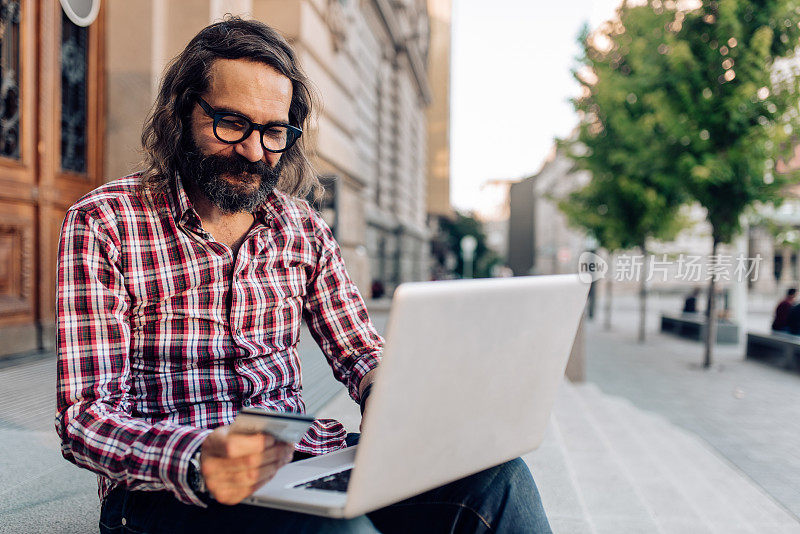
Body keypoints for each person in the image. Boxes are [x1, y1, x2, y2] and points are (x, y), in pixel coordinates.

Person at [55, 18, 552, 534]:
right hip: (168, 491)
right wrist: (201, 455)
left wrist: (388, 399)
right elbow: (84, 419)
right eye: (231, 123)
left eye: (273, 132)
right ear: (182, 113)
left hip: (300, 462)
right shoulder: (104, 223)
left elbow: (361, 350)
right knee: (338, 530)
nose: (253, 152)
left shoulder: (302, 227)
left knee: (497, 481)